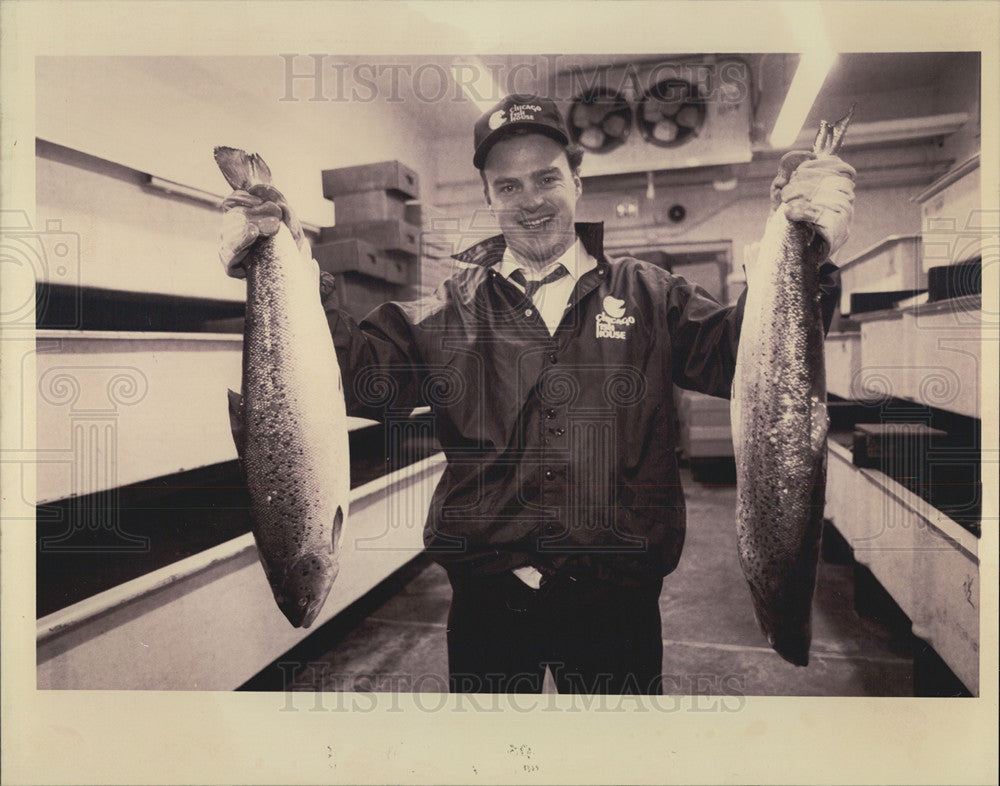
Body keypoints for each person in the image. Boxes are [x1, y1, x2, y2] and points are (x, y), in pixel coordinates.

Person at [219, 93, 855, 695]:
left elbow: (748, 358)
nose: (531, 201)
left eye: (547, 178)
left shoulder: (651, 296)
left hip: (618, 605)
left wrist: (808, 252)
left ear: (577, 179)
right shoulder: (444, 313)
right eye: (509, 185)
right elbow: (353, 380)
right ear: (489, 196)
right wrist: (284, 265)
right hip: (487, 606)